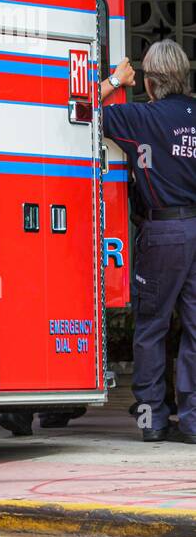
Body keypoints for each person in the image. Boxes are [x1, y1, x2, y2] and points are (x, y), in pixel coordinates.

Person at [101, 39, 196, 444]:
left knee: (151, 327)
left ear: (151, 84)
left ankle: (151, 420)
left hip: (161, 233)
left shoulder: (141, 118)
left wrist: (112, 80)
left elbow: (81, 112)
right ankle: (192, 421)